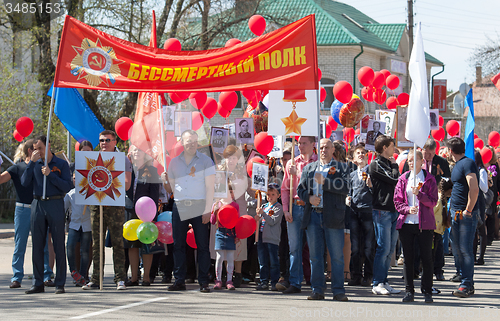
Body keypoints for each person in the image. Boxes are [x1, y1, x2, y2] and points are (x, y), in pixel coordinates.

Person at [296, 138, 349, 301]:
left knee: (336, 256)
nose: (324, 150)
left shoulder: (341, 168)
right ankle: (317, 290)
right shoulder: (310, 168)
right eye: (322, 147)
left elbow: (346, 188)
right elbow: (301, 189)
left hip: (333, 216)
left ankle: (338, 291)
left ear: (333, 150)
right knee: (315, 256)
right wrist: (309, 198)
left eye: (327, 147)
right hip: (313, 216)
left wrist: (325, 182)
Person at [21, 135, 73, 294]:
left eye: (40, 149)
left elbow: (67, 186)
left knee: (58, 244)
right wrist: (30, 164)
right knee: (37, 245)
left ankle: (60, 283)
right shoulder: (34, 164)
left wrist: (50, 174)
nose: (38, 152)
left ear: (48, 146)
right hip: (38, 204)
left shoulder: (61, 164)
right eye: (35, 149)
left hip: (55, 203)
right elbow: (24, 182)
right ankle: (38, 283)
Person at [82, 130, 132, 291]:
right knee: (97, 243)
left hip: (115, 205)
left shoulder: (122, 159)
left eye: (107, 140)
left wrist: (109, 181)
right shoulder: (92, 159)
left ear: (114, 141)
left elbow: (127, 183)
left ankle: (120, 278)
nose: (104, 143)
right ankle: (95, 278)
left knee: (117, 242)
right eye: (101, 140)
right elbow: (85, 182)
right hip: (97, 205)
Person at [167, 129, 215, 293]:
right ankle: (179, 280)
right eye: (188, 141)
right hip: (180, 205)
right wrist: (164, 179)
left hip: (199, 205)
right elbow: (170, 189)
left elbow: (210, 187)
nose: (191, 144)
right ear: (182, 142)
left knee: (202, 246)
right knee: (178, 245)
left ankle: (203, 281)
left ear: (197, 142)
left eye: (194, 141)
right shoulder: (173, 162)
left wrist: (208, 209)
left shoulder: (206, 161)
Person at [0, 140, 52, 289]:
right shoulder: (17, 168)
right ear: (31, 151)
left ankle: (47, 275)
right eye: (37, 149)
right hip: (22, 209)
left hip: (39, 208)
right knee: (20, 244)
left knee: (43, 244)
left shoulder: (43, 167)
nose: (40, 151)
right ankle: (17, 277)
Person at [394, 150, 438, 303]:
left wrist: (419, 195)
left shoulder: (429, 179)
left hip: (424, 224)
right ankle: (409, 290)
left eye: (414, 160)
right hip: (407, 223)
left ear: (421, 161)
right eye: (409, 160)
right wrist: (407, 209)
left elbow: (433, 201)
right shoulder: (403, 179)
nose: (411, 163)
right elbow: (397, 201)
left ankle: (427, 291)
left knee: (426, 258)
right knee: (408, 258)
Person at [277, 136, 318, 294]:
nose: (300, 146)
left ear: (313, 144)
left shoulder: (317, 162)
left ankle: (316, 284)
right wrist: (286, 209)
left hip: (311, 208)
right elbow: (285, 188)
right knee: (294, 248)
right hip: (295, 208)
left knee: (314, 248)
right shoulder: (291, 163)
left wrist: (298, 174)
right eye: (299, 143)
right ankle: (295, 282)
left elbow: (312, 184)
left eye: (304, 143)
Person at [447, 137, 479, 298]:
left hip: (465, 214)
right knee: (457, 248)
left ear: (450, 151)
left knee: (465, 249)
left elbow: (474, 188)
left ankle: (467, 284)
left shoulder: (467, 163)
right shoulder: (459, 165)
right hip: (456, 212)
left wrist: (468, 210)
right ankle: (462, 276)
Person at [369, 135, 401, 295]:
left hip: (394, 209)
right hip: (381, 210)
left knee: (390, 249)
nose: (394, 149)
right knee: (383, 247)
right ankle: (377, 282)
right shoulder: (375, 164)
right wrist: (395, 165)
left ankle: (385, 280)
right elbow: (394, 178)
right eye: (391, 146)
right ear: (384, 148)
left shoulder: (389, 163)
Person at [124, 145, 160, 286]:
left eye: (140, 150)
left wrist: (153, 215)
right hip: (129, 209)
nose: (137, 152)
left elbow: (155, 194)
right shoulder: (126, 170)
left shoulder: (152, 171)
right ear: (130, 153)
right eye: (134, 150)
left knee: (146, 244)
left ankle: (146, 277)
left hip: (146, 212)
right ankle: (133, 277)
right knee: (132, 244)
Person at [218, 145, 248, 287]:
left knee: (239, 241)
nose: (231, 160)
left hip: (240, 210)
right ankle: (224, 273)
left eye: (234, 157)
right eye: (228, 157)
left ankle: (238, 272)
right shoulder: (219, 172)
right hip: (224, 210)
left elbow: (252, 189)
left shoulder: (243, 173)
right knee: (224, 241)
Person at [346, 144, 374, 287]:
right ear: (354, 158)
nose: (361, 155)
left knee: (368, 246)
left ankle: (368, 276)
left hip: (368, 211)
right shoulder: (351, 175)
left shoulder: (372, 172)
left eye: (363, 152)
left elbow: (378, 194)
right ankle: (356, 275)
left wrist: (371, 185)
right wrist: (347, 198)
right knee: (355, 247)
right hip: (354, 212)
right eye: (358, 153)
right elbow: (349, 191)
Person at [64, 171, 92, 286]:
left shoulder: (90, 193)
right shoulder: (70, 194)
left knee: (85, 251)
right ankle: (74, 272)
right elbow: (63, 208)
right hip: (74, 224)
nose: (75, 180)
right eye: (74, 178)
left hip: (87, 225)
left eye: (78, 178)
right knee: (70, 246)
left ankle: (83, 275)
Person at [255, 183, 283, 291]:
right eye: (268, 194)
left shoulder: (278, 207)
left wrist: (263, 214)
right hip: (262, 236)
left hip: (272, 238)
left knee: (273, 261)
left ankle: (274, 282)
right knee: (263, 261)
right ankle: (264, 281)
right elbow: (261, 219)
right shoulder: (264, 206)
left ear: (278, 195)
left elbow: (272, 221)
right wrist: (257, 217)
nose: (270, 197)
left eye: (273, 194)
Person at [211, 185, 239, 290]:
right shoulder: (217, 204)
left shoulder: (235, 205)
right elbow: (212, 221)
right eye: (228, 192)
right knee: (219, 257)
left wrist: (237, 235)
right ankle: (218, 280)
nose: (230, 194)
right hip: (220, 232)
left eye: (232, 192)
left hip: (231, 232)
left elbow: (237, 220)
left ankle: (229, 280)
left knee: (231, 258)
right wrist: (215, 211)